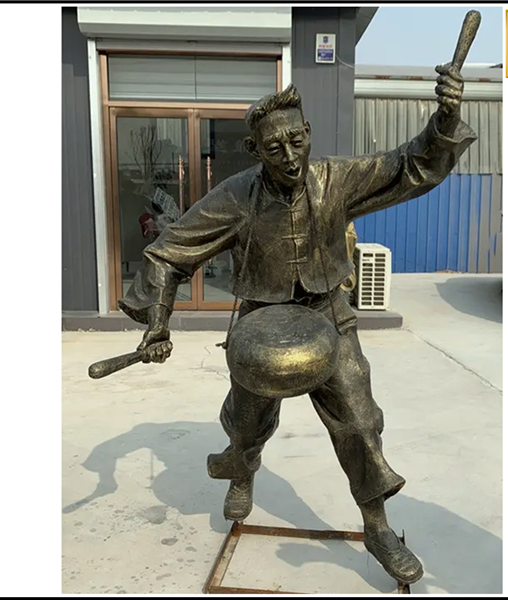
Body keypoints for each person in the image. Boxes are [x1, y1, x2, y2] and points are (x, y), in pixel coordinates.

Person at [119, 64, 477, 585]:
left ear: (307, 132)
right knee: (248, 421)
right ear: (254, 149)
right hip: (259, 324)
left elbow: (409, 165)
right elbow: (168, 252)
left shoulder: (336, 180)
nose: (288, 157)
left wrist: (444, 118)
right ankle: (241, 466)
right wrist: (157, 322)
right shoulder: (236, 197)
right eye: (273, 148)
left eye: (295, 141)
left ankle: (377, 527)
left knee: (360, 422)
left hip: (329, 316)